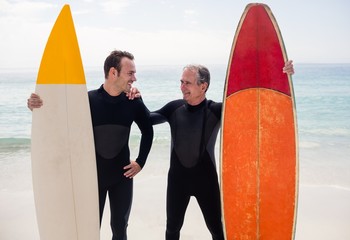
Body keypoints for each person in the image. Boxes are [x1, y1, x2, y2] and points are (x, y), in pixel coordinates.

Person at [149, 61, 294, 240]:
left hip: (206, 182)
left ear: (203, 86)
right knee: (172, 229)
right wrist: (132, 97)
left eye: (187, 83)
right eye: (181, 82)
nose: (182, 87)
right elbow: (147, 119)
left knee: (217, 231)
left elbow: (257, 108)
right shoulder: (174, 108)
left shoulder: (216, 110)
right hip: (177, 181)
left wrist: (282, 77)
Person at [28, 50, 154, 240]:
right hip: (92, 177)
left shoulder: (133, 102)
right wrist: (36, 105)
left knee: (120, 228)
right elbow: (58, 117)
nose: (134, 78)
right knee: (90, 230)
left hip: (122, 177)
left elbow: (148, 130)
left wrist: (140, 162)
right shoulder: (88, 100)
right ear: (113, 73)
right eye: (130, 73)